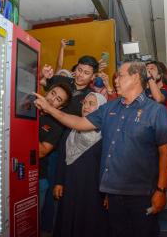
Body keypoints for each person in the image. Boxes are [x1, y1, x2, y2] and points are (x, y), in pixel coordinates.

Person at [34, 61, 167, 237]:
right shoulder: (109, 108)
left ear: (136, 77)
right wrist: (49, 109)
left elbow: (165, 153)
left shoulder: (155, 111)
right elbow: (79, 122)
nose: (115, 80)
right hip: (113, 194)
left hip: (142, 194)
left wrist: (161, 190)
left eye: (120, 75)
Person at [53, 92, 108, 237]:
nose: (86, 106)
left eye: (91, 103)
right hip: (70, 186)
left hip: (94, 191)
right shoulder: (71, 130)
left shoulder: (106, 134)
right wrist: (59, 182)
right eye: (85, 103)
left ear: (102, 108)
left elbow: (109, 165)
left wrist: (108, 192)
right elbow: (62, 158)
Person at [38, 83, 72, 233]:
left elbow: (42, 151)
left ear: (59, 108)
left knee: (30, 223)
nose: (52, 99)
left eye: (58, 99)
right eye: (52, 93)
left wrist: (25, 126)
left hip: (38, 178)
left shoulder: (57, 124)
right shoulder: (27, 108)